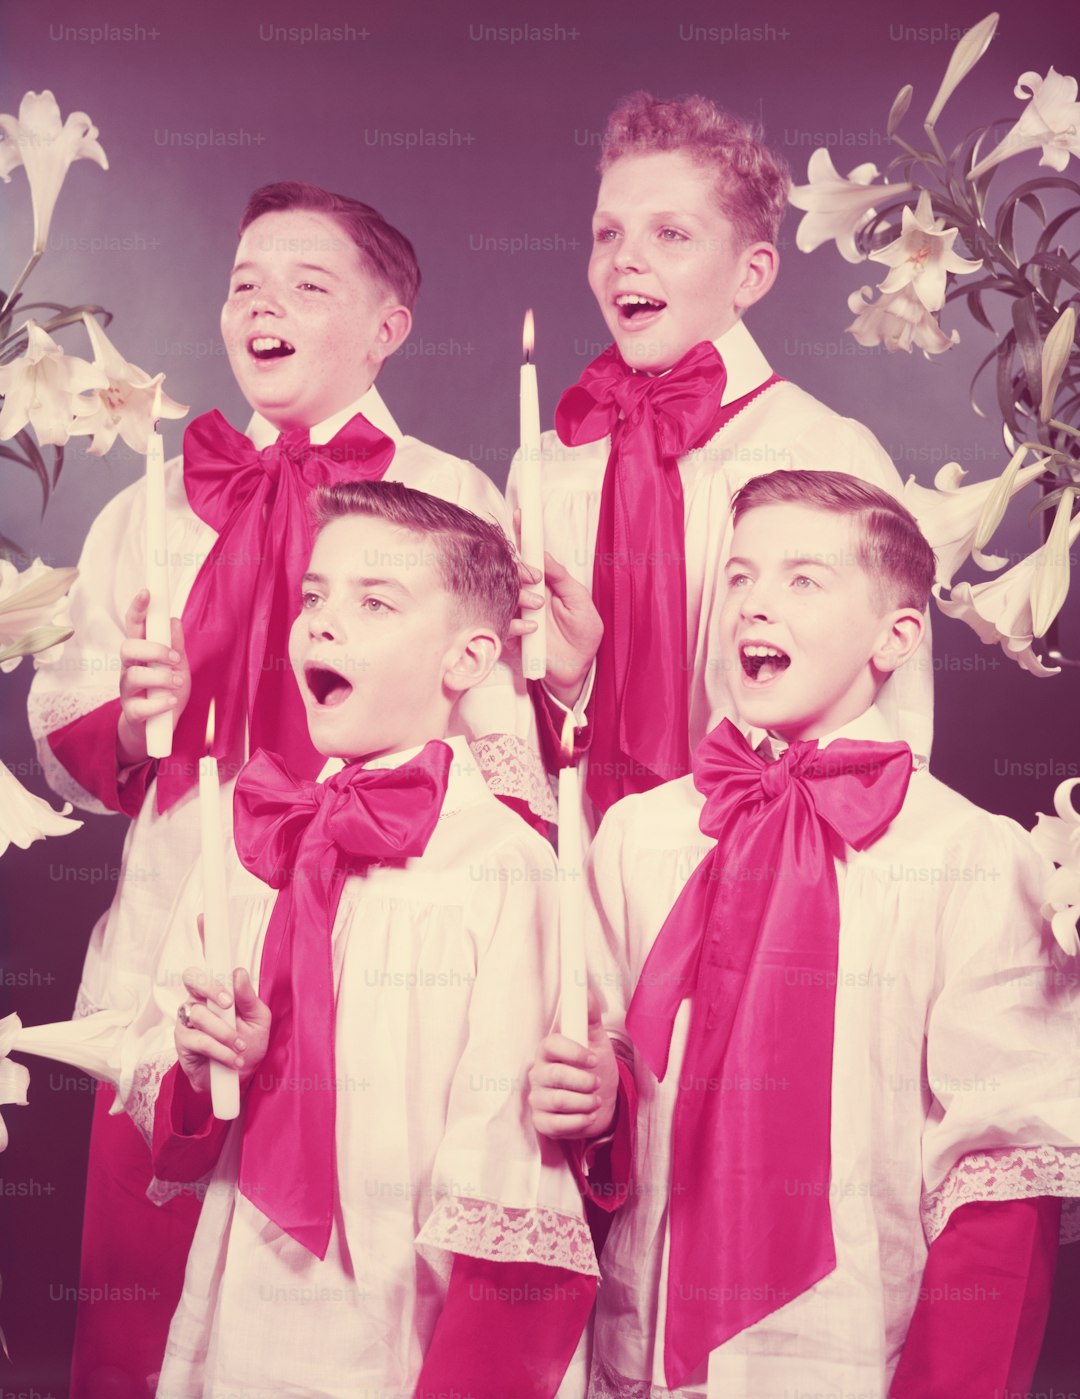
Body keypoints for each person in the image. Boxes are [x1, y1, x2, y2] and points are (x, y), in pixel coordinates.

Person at [27, 181, 547, 1398]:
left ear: (388, 326)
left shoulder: (455, 495)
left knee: (337, 1278)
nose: (263, 305)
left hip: (380, 956)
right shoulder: (152, 503)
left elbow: (496, 743)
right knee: (140, 1305)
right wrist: (138, 721)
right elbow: (67, 730)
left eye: (309, 285)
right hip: (181, 932)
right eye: (246, 282)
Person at [531, 470, 1080, 1397]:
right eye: (739, 578)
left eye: (803, 581)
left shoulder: (975, 858)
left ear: (897, 637)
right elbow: (605, 1045)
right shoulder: (639, 833)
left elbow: (999, 1170)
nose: (754, 606)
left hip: (856, 1346)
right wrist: (596, 1095)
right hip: (645, 1340)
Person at [124, 480, 598, 1399]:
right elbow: (163, 1081)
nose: (324, 624)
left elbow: (509, 1169)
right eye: (314, 597)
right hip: (246, 1304)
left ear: (468, 657)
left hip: (398, 1325)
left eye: (375, 602)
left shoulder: (502, 866)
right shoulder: (248, 836)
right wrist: (205, 1059)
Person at [510, 93, 932, 824]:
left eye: (671, 233)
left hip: (768, 871)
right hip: (587, 874)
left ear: (751, 274)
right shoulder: (548, 468)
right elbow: (504, 734)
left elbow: (894, 723)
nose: (625, 260)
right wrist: (562, 684)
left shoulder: (824, 452)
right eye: (607, 232)